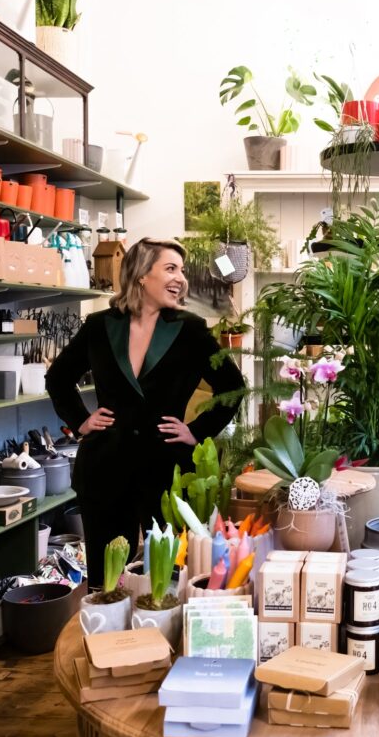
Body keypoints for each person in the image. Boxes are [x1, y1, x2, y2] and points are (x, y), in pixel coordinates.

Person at [47, 239, 246, 589]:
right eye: (171, 268)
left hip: (166, 467)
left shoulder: (191, 330)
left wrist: (197, 431)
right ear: (141, 276)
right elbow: (58, 378)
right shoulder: (99, 326)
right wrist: (80, 421)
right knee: (107, 579)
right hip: (106, 465)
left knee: (171, 576)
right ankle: (112, 639)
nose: (180, 279)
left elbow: (232, 387)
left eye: (181, 271)